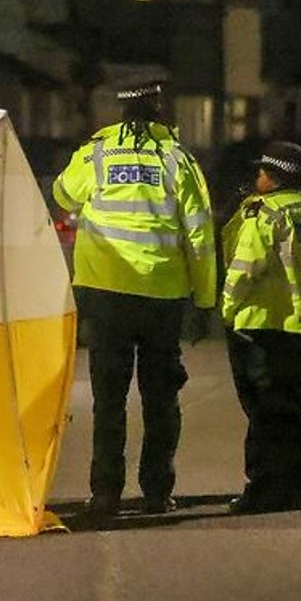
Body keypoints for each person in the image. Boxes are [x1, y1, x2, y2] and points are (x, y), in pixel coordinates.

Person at [52, 77, 216, 521]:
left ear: (121, 112)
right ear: (159, 110)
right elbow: (199, 235)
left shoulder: (97, 153)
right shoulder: (178, 160)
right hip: (162, 296)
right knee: (161, 398)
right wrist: (204, 302)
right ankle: (158, 492)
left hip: (106, 295)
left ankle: (105, 494)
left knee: (109, 398)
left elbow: (62, 193)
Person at [221, 142, 301, 514]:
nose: (257, 178)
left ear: (274, 176)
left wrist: (225, 308)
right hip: (298, 322)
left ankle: (262, 488)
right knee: (293, 407)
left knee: (263, 411)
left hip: (259, 323)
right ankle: (295, 486)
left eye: (262, 173)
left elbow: (245, 268)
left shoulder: (265, 213)